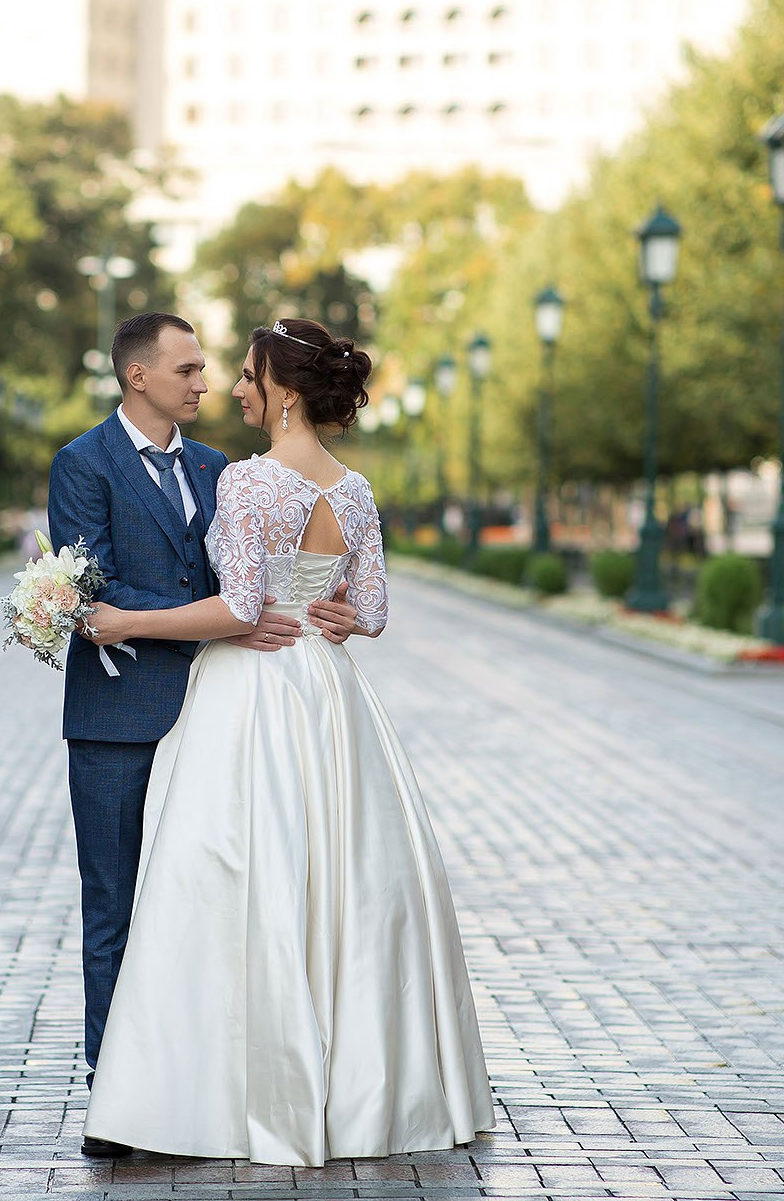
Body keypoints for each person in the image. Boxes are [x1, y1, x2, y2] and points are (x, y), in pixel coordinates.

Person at [78, 317, 493, 1166]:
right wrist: (326, 613)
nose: (233, 388)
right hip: (330, 693)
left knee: (228, 874)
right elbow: (368, 612)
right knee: (339, 877)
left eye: (246, 376)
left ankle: (213, 1087)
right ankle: (359, 1088)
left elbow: (237, 610)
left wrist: (129, 620)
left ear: (285, 393)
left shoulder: (248, 482)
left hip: (255, 686)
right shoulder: (356, 489)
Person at [46, 312, 358, 1161]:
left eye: (207, 368)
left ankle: (198, 1081)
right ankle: (115, 1091)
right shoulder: (80, 464)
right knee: (111, 904)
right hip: (116, 717)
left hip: (228, 712)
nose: (204, 382)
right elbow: (92, 585)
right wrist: (220, 626)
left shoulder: (223, 467)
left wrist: (285, 612)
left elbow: (246, 581)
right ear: (137, 376)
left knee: (206, 901)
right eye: (186, 368)